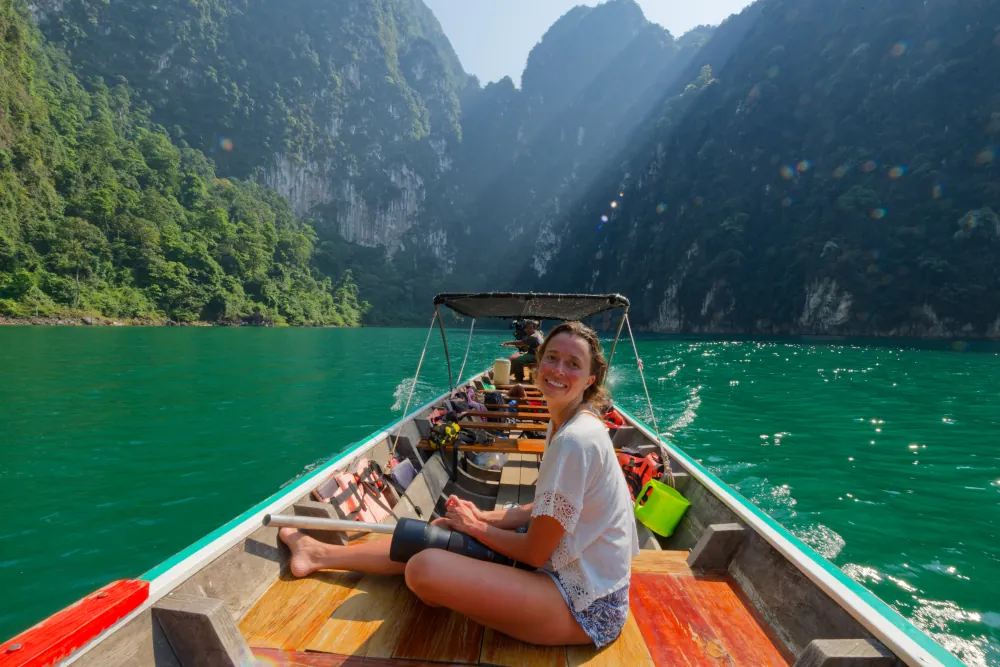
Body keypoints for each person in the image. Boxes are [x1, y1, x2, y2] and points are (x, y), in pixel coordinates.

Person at [278, 321, 639, 648]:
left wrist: (478, 528)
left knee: (424, 569)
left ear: (590, 380)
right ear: (538, 362)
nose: (559, 370)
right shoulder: (562, 422)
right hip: (558, 570)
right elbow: (544, 509)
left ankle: (446, 576)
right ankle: (317, 554)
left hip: (583, 607)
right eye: (553, 358)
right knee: (440, 528)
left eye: (573, 364)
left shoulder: (577, 439)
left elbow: (535, 552)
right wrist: (482, 516)